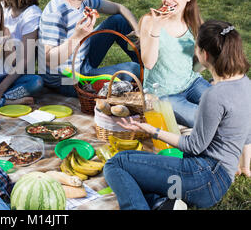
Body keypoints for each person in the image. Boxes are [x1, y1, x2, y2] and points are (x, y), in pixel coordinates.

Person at [103, 20, 251, 210]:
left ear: (204, 55)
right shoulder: (246, 84)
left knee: (117, 164)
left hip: (204, 179)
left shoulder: (214, 95)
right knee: (143, 168)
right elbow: (247, 134)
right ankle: (163, 204)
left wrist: (152, 130)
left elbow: (194, 146)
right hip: (219, 180)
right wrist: (245, 167)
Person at [38, 0, 140, 97]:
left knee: (118, 20)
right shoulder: (56, 13)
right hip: (66, 80)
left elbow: (119, 8)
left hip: (83, 59)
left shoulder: (85, 0)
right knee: (132, 69)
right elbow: (48, 60)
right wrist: (77, 36)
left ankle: (150, 68)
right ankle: (143, 76)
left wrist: (137, 30)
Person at [139, 0, 210, 128]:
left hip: (192, 83)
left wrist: (209, 57)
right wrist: (156, 28)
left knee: (225, 107)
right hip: (163, 94)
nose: (168, 0)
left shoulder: (195, 23)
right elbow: (149, 63)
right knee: (204, 120)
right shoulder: (149, 21)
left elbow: (199, 66)